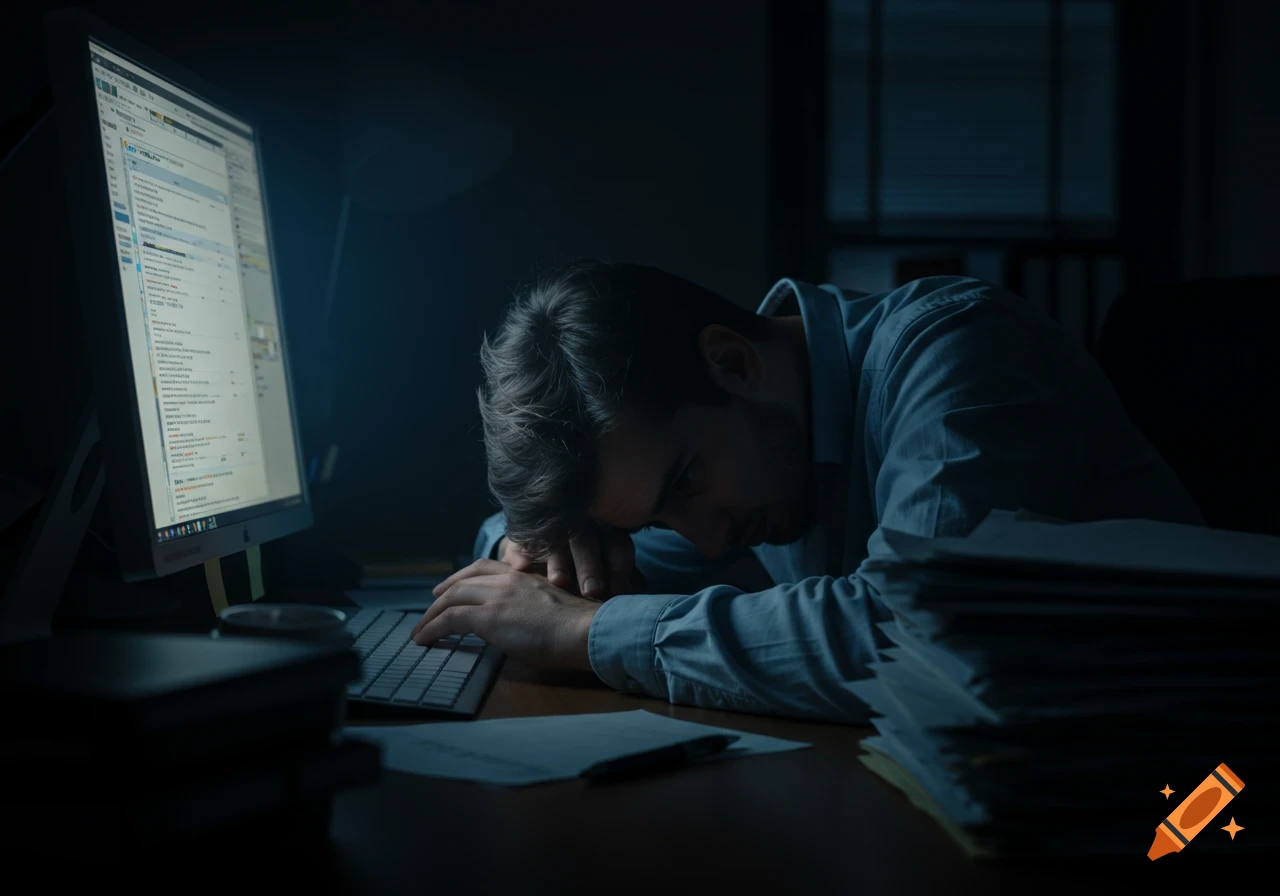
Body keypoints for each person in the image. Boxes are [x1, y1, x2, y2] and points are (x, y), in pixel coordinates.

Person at [411, 260, 1203, 722]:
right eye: (657, 518)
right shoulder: (734, 451)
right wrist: (540, 546)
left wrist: (590, 634)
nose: (708, 542)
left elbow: (917, 638)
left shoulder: (962, 350)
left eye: (685, 485)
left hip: (1203, 790)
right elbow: (567, 577)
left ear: (731, 361)